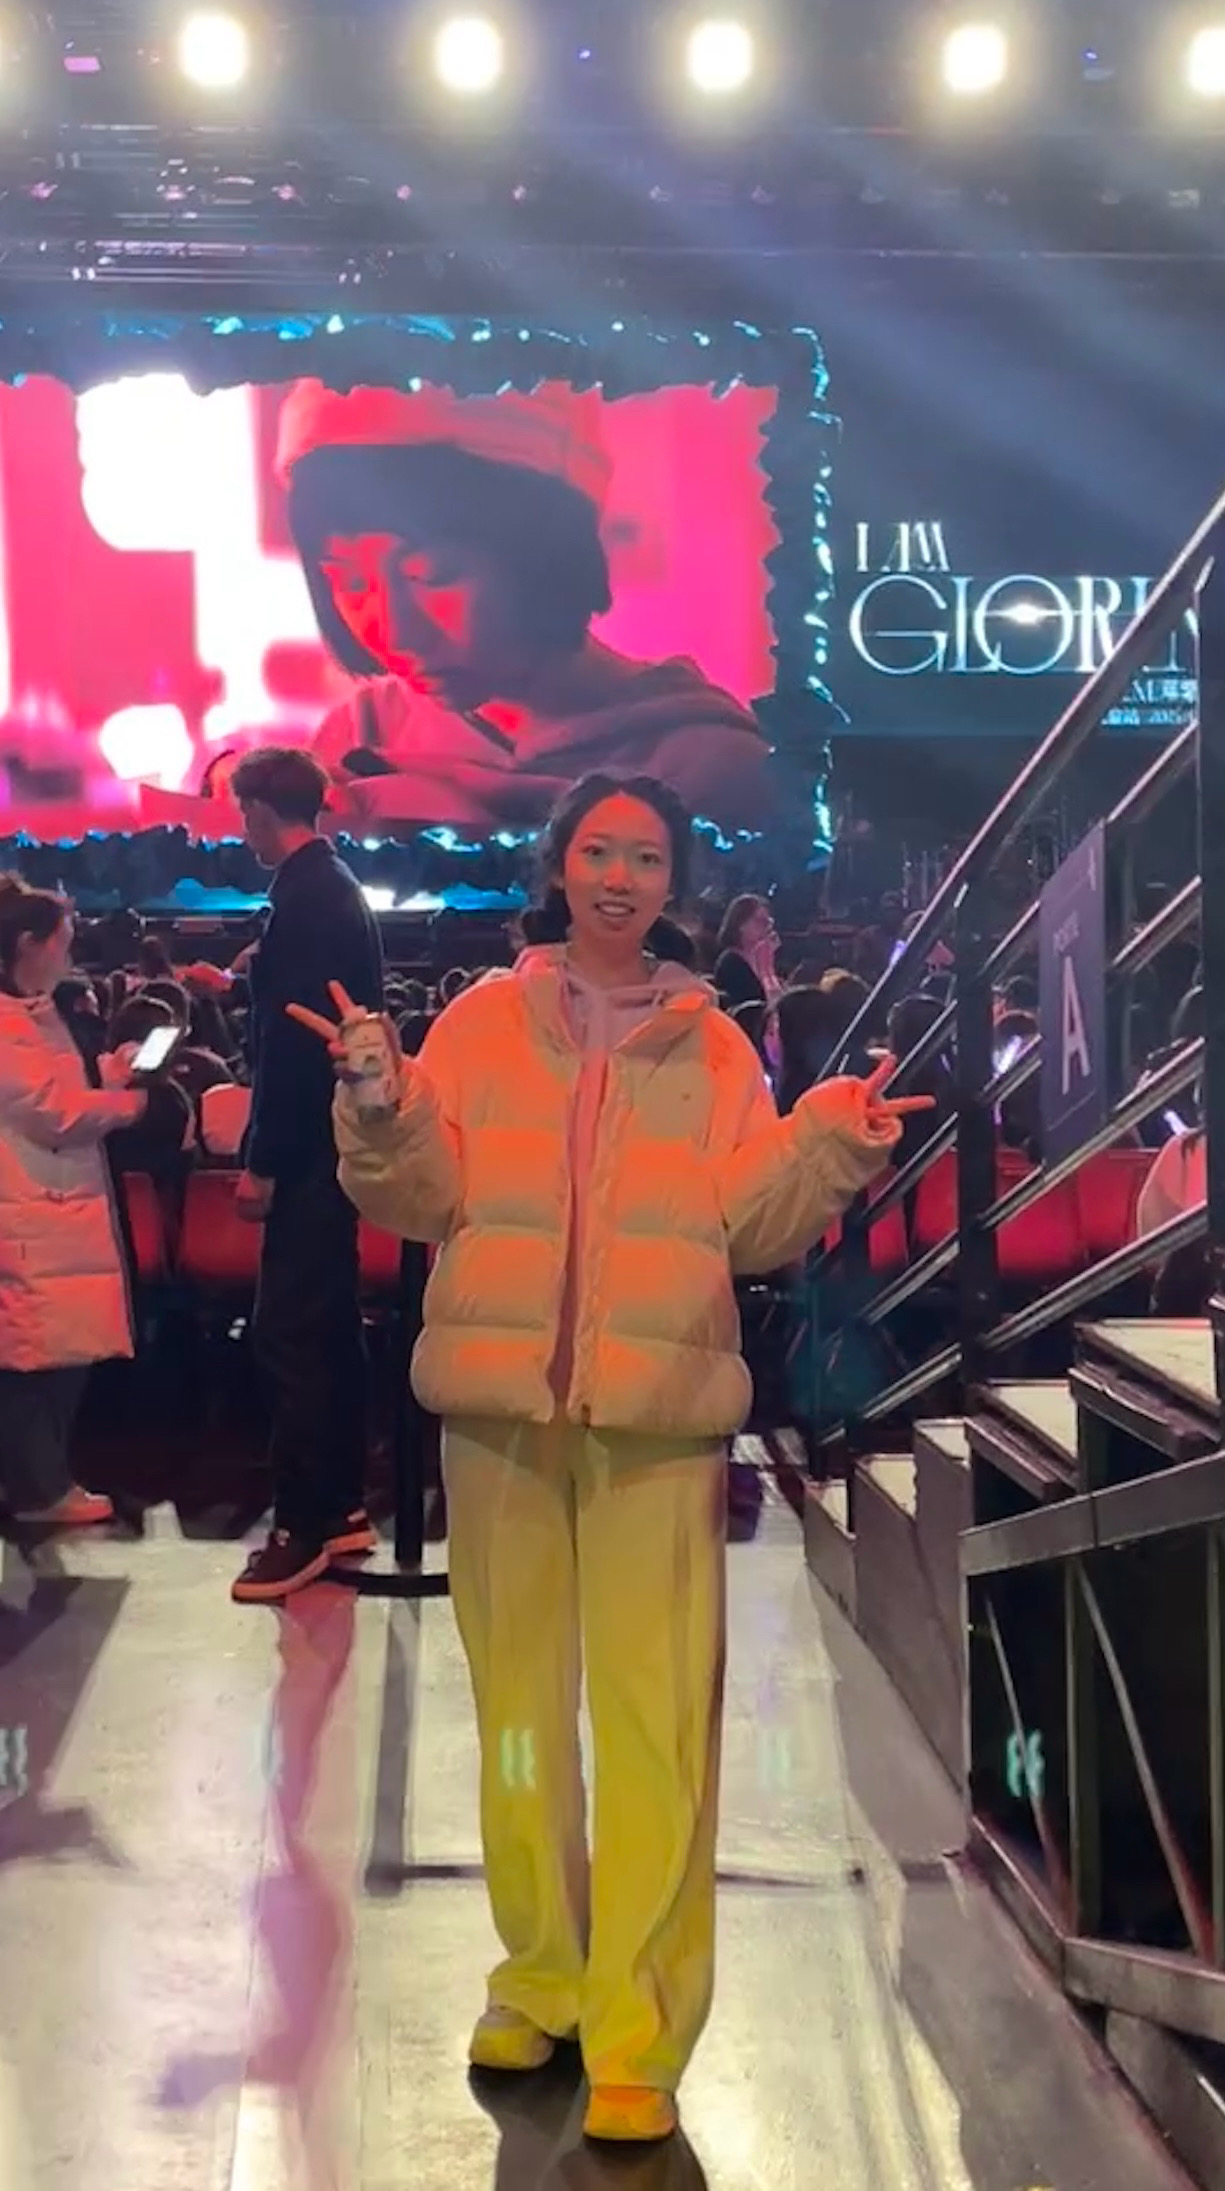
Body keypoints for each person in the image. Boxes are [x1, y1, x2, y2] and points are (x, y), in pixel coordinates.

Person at [291, 772, 926, 2143]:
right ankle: (539, 1974)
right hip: (500, 1413)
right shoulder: (477, 1021)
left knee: (654, 1726)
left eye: (645, 855)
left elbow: (746, 1226)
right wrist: (380, 1104)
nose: (620, 876)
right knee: (519, 1718)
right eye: (599, 851)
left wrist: (827, 1145)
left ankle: (638, 2023)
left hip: (656, 1414)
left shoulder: (716, 1045)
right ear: (559, 865)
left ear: (672, 878)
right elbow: (423, 1199)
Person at [276, 379, 776, 835]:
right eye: (351, 581)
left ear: (545, 553)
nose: (396, 633)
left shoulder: (706, 766)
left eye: (433, 576)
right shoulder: (363, 730)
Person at [228, 747, 385, 1605]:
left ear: (259, 810)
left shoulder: (307, 897)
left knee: (290, 1334)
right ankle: (341, 1507)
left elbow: (290, 1050)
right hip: (332, 1146)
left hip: (308, 1152)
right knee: (323, 1327)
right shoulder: (331, 887)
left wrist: (263, 1162)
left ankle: (304, 1524)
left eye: (240, 814)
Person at [0, 878, 149, 1528]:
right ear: (27, 944)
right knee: (35, 1360)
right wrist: (126, 1103)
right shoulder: (12, 1023)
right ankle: (39, 1489)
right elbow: (51, 1111)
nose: (69, 953)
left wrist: (108, 1077)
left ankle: (39, 1482)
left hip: (46, 1206)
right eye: (61, 941)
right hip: (31, 1209)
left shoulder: (33, 1013)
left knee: (47, 1354)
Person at [713, 893, 780, 1015]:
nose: (767, 927)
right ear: (741, 925)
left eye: (768, 922)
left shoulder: (764, 957)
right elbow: (756, 1008)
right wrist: (765, 969)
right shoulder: (731, 962)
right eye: (760, 921)